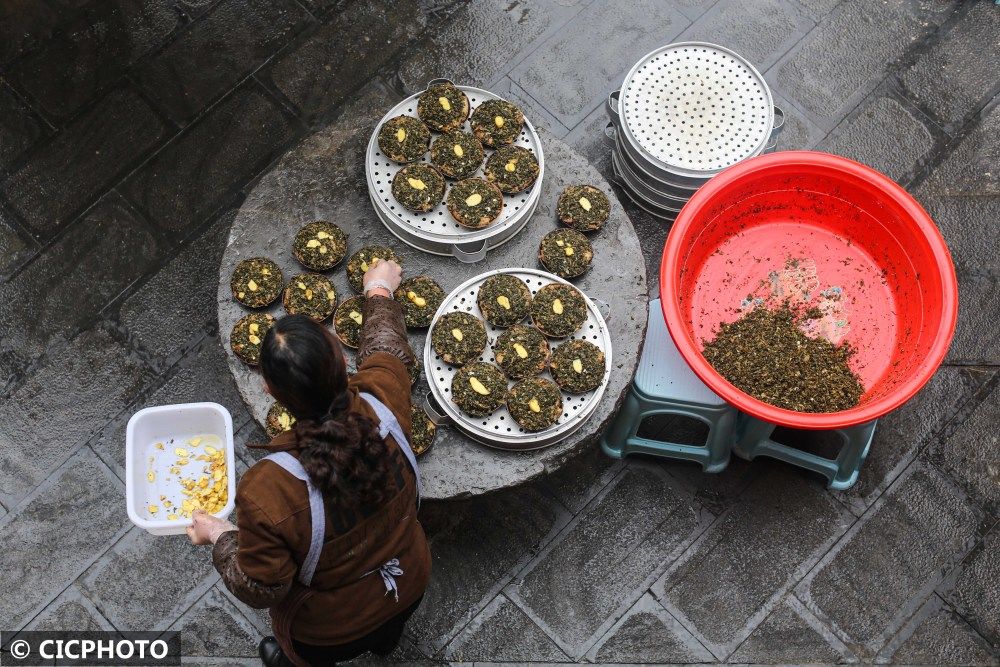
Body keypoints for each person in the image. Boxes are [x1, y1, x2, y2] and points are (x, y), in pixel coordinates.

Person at [187, 260, 430, 666]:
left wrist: (220, 535)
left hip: (329, 630)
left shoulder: (268, 489)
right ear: (340, 356)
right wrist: (379, 291)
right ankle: (386, 642)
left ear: (269, 390)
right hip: (409, 581)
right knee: (388, 631)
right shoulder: (384, 399)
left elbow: (263, 586)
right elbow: (387, 350)